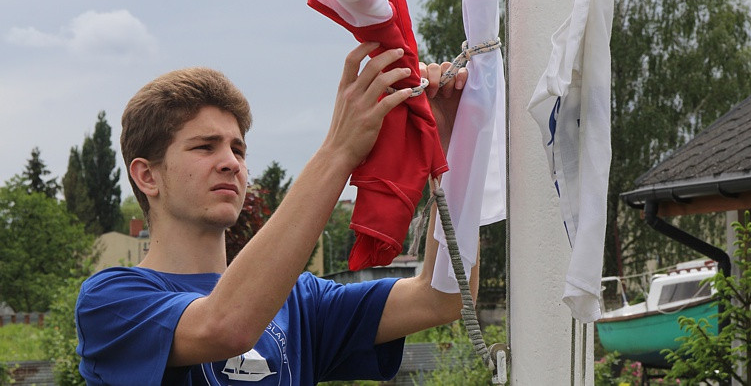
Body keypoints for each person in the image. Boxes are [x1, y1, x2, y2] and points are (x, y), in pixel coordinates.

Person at [74, 42, 475, 385]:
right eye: (204, 147)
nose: (230, 162)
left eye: (238, 149)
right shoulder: (111, 301)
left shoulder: (301, 300)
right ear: (147, 176)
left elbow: (444, 297)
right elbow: (226, 326)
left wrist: (455, 146)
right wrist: (338, 151)